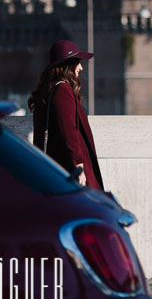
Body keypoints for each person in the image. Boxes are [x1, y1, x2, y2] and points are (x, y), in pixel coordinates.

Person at [29, 40, 103, 190]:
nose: (81, 68)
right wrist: (79, 166)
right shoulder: (62, 91)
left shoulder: (49, 90)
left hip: (57, 168)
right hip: (69, 170)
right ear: (68, 65)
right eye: (78, 62)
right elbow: (68, 131)